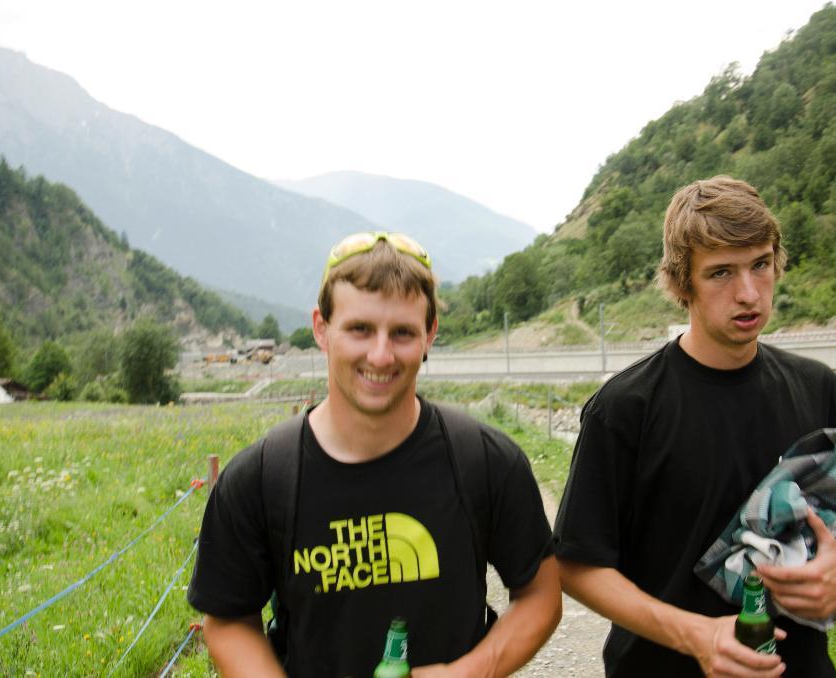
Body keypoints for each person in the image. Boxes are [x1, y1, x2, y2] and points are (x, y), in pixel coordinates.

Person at [188, 231, 560, 677]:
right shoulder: (259, 479)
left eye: (402, 332)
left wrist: (470, 672)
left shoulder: (486, 460)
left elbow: (541, 595)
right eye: (360, 329)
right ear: (321, 329)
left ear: (430, 335)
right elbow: (229, 620)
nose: (381, 356)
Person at [553, 176, 836, 677]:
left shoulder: (818, 389)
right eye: (721, 272)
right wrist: (698, 636)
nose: (748, 294)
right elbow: (575, 566)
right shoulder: (623, 409)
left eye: (760, 265)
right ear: (682, 284)